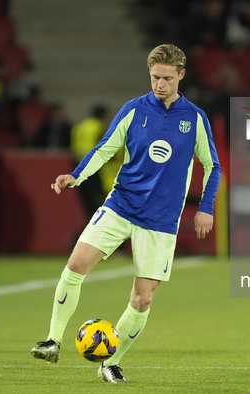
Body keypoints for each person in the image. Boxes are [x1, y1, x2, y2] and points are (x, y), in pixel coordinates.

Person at [30, 44, 221, 384]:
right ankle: (53, 340)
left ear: (181, 76)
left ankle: (110, 362)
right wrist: (76, 175)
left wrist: (206, 207)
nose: (159, 84)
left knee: (143, 299)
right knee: (75, 265)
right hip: (121, 205)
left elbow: (212, 166)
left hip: (161, 220)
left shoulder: (194, 119)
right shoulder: (134, 110)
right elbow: (105, 148)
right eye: (153, 78)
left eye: (165, 78)